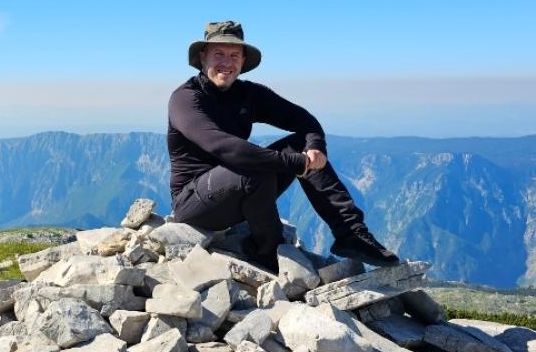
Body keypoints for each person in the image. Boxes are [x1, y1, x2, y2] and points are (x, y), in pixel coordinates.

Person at [167, 20, 400, 273]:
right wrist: (296, 163)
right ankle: (267, 253)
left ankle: (352, 234)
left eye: (234, 55)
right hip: (194, 204)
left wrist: (315, 148)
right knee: (255, 168)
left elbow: (305, 120)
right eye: (219, 54)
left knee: (299, 145)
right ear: (203, 57)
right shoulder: (186, 99)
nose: (227, 62)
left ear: (243, 61)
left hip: (237, 190)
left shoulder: (249, 94)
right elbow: (226, 148)